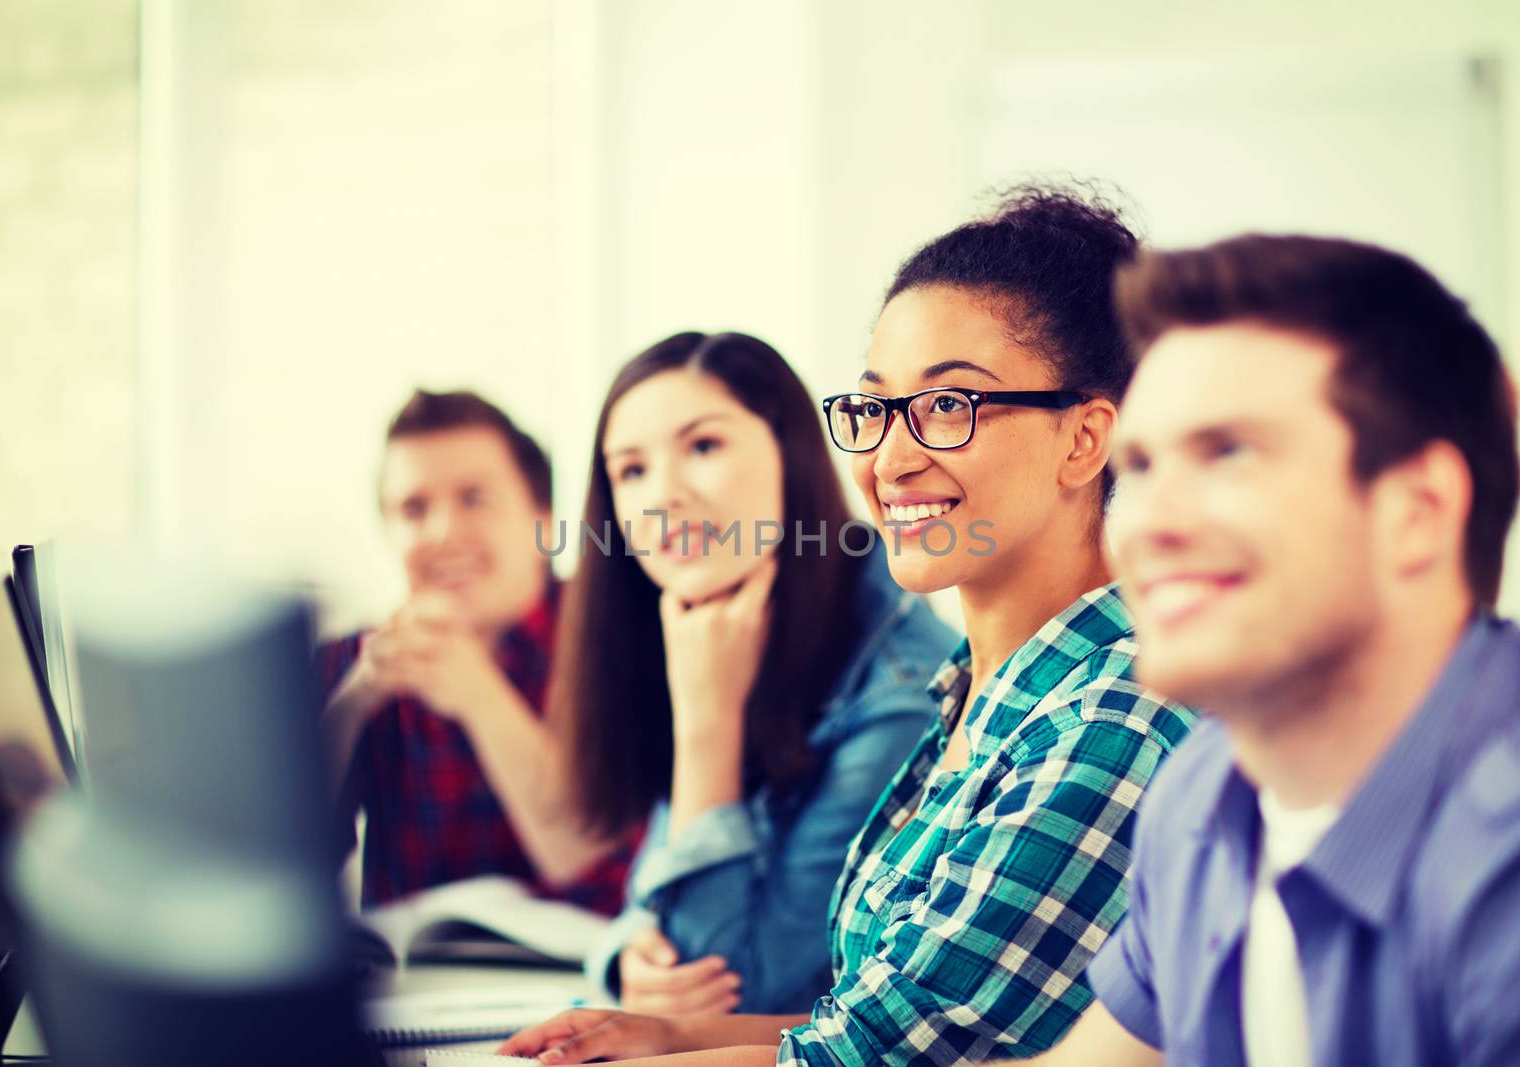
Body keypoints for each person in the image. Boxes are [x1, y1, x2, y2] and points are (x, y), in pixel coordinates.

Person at [501, 185, 1198, 1066]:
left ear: (1085, 439)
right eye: (875, 409)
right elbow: (875, 1018)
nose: (891, 459)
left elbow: (878, 1061)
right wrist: (667, 1028)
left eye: (950, 406)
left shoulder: (1114, 712)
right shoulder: (979, 695)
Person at [1014, 234, 1520, 1066]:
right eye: (1142, 465)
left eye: (1227, 452)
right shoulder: (1203, 789)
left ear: (1418, 510)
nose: (1149, 527)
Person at [555, 330, 957, 1015]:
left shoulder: (901, 686)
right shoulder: (709, 622)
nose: (662, 498)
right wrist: (623, 959)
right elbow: (653, 909)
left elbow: (739, 989)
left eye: (703, 447)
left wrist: (707, 725)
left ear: (791, 455)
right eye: (631, 470)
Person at [316, 389, 634, 912]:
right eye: (413, 509)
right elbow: (267, 873)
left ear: (543, 521)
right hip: (419, 987)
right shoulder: (353, 664)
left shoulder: (612, 638)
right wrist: (351, 706)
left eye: (474, 499)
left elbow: (604, 871)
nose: (443, 533)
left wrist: (479, 695)